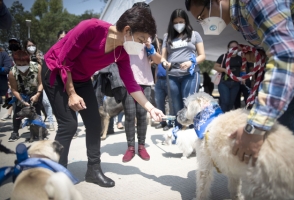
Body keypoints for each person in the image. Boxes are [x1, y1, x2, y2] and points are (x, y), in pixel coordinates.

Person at [42, 6, 164, 187]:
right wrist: (72, 93)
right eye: (140, 39)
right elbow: (65, 61)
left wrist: (151, 108)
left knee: (95, 122)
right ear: (127, 30)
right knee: (69, 124)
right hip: (56, 70)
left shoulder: (122, 52)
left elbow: (131, 84)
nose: (140, 45)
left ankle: (93, 169)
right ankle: (56, 174)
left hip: (81, 78)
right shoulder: (91, 28)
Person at [186, 0, 294, 165]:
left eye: (202, 16)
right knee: (279, 135)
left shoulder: (254, 2)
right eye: (199, 20)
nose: (204, 23)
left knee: (274, 135)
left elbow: (286, 56)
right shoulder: (239, 18)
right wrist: (261, 53)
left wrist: (255, 127)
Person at [121, 2, 162, 163]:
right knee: (130, 114)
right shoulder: (125, 33)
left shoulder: (151, 36)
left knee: (142, 114)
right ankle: (130, 147)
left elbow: (158, 60)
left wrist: (149, 46)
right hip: (128, 80)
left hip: (144, 80)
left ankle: (142, 146)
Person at [161, 8, 205, 130]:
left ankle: (191, 131)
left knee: (189, 103)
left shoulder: (195, 35)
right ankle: (179, 130)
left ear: (186, 21)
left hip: (190, 74)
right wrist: (165, 63)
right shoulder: (167, 37)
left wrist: (191, 62)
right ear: (172, 23)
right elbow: (163, 58)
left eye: (181, 21)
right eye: (175, 22)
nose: (178, 24)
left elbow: (202, 55)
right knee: (175, 104)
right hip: (173, 75)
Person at [8, 50, 43, 141]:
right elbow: (14, 89)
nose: (22, 67)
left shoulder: (37, 67)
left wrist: (37, 95)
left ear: (28, 61)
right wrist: (22, 101)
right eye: (19, 64)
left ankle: (39, 132)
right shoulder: (12, 72)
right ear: (15, 63)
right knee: (18, 112)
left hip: (35, 93)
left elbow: (40, 83)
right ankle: (15, 132)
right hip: (21, 95)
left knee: (36, 112)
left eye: (24, 64)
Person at [213, 40, 242, 112]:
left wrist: (243, 78)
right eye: (231, 47)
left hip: (235, 83)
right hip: (224, 82)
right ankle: (221, 117)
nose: (233, 48)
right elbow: (216, 67)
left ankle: (227, 118)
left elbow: (242, 70)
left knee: (231, 103)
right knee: (225, 101)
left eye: (235, 47)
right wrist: (225, 70)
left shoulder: (240, 58)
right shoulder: (223, 57)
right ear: (228, 48)